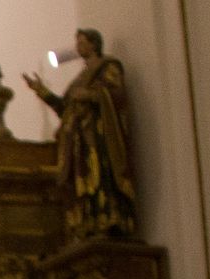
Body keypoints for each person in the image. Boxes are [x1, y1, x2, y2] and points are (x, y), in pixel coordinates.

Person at [23, 28, 138, 239]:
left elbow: (118, 95)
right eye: (77, 43)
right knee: (84, 183)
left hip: (100, 136)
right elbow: (64, 109)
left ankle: (109, 217)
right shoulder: (80, 78)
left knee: (101, 175)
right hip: (80, 141)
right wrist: (42, 91)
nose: (78, 46)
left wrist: (92, 95)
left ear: (94, 44)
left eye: (82, 42)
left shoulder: (108, 67)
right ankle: (90, 222)